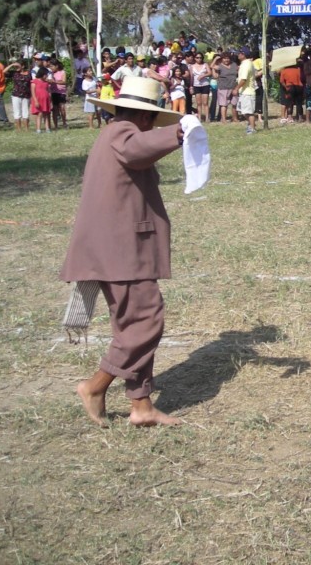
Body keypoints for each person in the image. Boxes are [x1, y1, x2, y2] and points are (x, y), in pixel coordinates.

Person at [61, 77, 185, 427]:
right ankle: (95, 386)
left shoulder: (115, 132)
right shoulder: (122, 133)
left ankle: (141, 406)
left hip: (118, 248)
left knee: (133, 321)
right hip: (121, 250)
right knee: (146, 320)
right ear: (144, 117)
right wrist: (177, 134)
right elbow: (135, 150)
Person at [235, 48, 257, 134]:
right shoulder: (246, 64)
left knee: (248, 112)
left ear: (243, 54)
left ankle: (252, 128)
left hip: (247, 92)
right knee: (244, 111)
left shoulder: (246, 65)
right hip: (244, 92)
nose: (238, 55)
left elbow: (244, 79)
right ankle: (251, 125)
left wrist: (236, 88)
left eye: (239, 53)